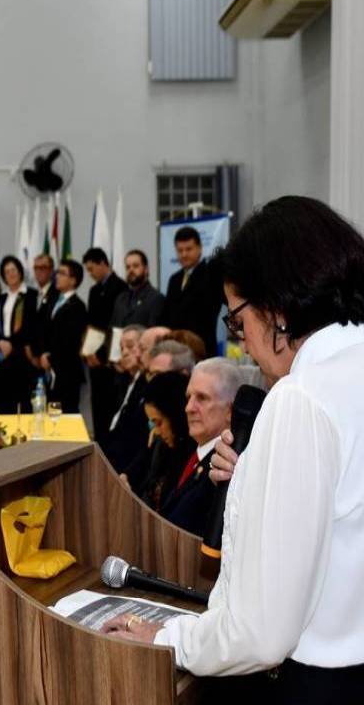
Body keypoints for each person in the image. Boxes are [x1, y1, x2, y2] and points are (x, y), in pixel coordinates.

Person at [103, 197, 364, 704]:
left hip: (324, 690)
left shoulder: (299, 398)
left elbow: (261, 632)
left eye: (237, 321)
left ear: (277, 310)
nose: (242, 342)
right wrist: (252, 479)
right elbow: (354, 531)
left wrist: (165, 638)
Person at [159, 357, 241, 534]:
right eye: (188, 397)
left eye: (202, 398)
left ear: (230, 410)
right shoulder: (186, 450)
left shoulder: (228, 467)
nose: (188, 408)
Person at [123, 371, 196, 517]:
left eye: (159, 422)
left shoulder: (193, 451)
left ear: (175, 416)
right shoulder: (161, 443)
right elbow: (132, 472)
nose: (156, 430)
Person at [82, 247, 128, 447]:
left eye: (92, 268)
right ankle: (98, 445)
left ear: (103, 263)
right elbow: (92, 325)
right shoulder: (93, 291)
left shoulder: (121, 287)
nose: (90, 274)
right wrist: (87, 352)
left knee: (110, 407)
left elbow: (114, 326)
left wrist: (100, 355)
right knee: (97, 407)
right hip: (94, 358)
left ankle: (109, 448)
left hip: (111, 358)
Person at [164, 227, 224, 357]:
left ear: (200, 248)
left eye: (188, 249)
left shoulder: (210, 275)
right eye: (180, 250)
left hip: (201, 350)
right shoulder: (174, 279)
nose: (184, 254)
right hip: (176, 351)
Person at [38, 259, 88, 413]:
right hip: (50, 370)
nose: (57, 276)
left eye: (62, 273)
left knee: (66, 413)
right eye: (57, 272)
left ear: (73, 280)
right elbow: (44, 330)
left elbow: (70, 341)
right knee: (50, 412)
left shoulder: (78, 306)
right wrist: (43, 353)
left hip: (67, 372)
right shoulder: (53, 301)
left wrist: (51, 357)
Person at [0, 256, 39, 413]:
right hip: (2, 354)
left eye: (13, 270)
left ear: (20, 272)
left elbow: (30, 325)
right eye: (7, 272)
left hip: (21, 353)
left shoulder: (31, 295)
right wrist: (0, 341)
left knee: (24, 402)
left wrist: (11, 343)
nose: (10, 274)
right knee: (3, 403)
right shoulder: (2, 297)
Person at [102, 324, 148, 475]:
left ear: (144, 348)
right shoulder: (124, 380)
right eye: (121, 348)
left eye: (130, 346)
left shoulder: (146, 384)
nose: (124, 352)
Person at [109, 249, 165, 330]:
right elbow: (113, 329)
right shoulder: (120, 299)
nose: (131, 270)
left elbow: (154, 332)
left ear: (146, 269)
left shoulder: (156, 298)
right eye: (128, 267)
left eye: (135, 266)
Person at [29, 253, 56, 369]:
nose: (38, 271)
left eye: (43, 268)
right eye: (36, 268)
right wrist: (31, 352)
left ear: (51, 270)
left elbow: (51, 328)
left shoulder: (57, 294)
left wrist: (42, 353)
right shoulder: (32, 295)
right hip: (31, 356)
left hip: (48, 357)